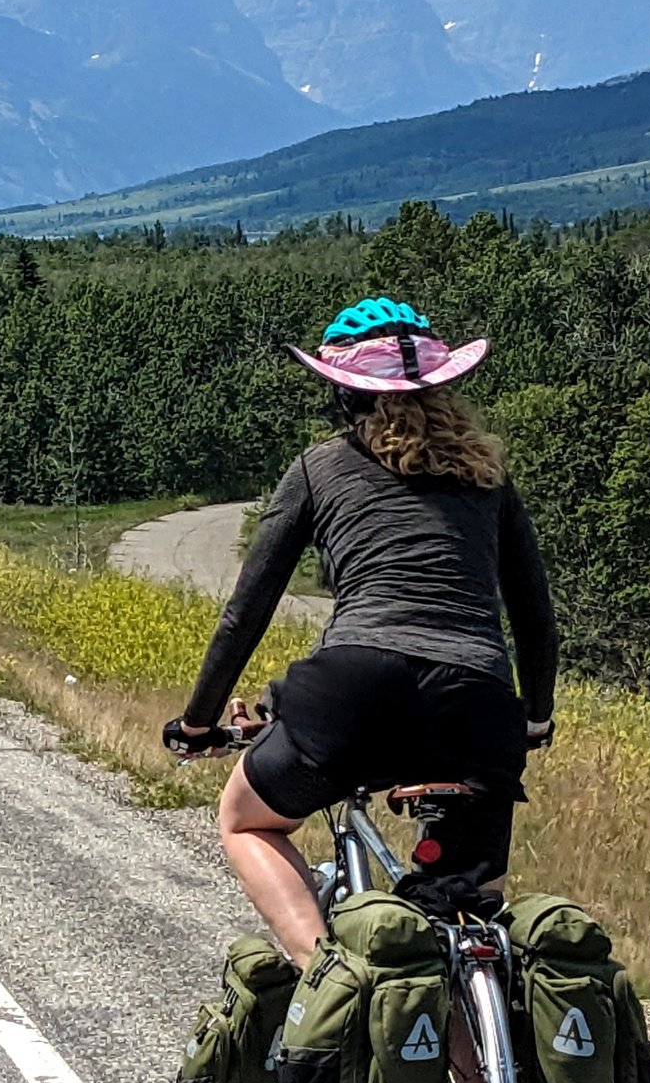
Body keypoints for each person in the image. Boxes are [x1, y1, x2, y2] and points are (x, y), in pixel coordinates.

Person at [162, 296, 558, 964]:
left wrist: (200, 722)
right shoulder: (489, 477)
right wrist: (535, 720)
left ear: (345, 396)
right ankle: (484, 1059)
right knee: (470, 911)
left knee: (245, 821)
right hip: (479, 702)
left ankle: (330, 982)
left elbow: (246, 612)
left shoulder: (319, 467)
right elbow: (535, 617)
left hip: (357, 689)